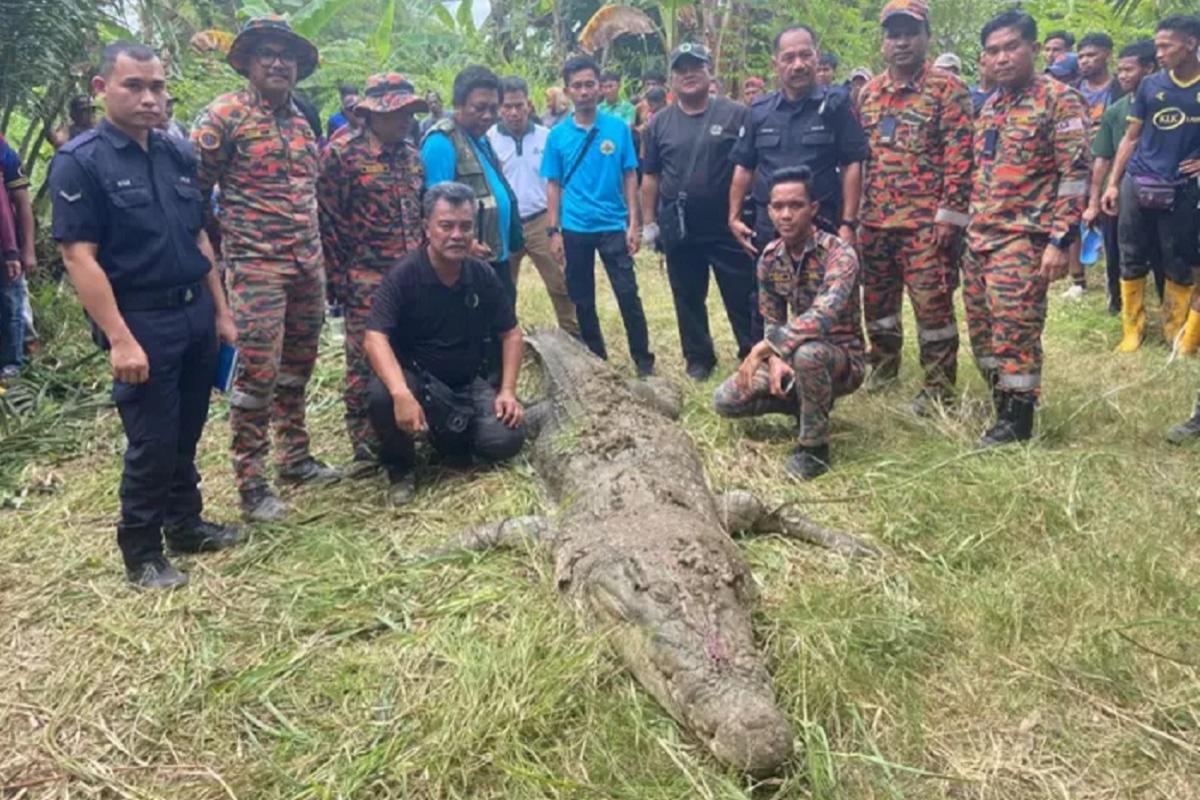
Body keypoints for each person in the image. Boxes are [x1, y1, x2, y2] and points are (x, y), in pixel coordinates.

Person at [49, 42, 242, 589]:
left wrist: (222, 312)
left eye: (157, 86)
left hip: (194, 313)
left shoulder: (177, 152)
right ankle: (141, 550)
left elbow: (199, 235)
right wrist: (120, 339)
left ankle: (186, 523)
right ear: (101, 89)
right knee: (152, 440)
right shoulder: (82, 161)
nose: (149, 98)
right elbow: (77, 256)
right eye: (134, 85)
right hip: (140, 320)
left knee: (187, 428)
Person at [192, 16, 340, 522]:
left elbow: (311, 192)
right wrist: (222, 248)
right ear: (248, 62)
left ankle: (294, 458)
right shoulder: (224, 116)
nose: (279, 63)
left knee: (298, 367)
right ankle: (252, 488)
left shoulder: (303, 118)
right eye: (267, 54)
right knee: (256, 375)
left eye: (288, 55)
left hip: (306, 263)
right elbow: (192, 195)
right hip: (256, 268)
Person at [966, 10, 1090, 446]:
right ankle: (1001, 404)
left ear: (1033, 49)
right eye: (993, 51)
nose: (1002, 58)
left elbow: (1074, 174)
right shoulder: (990, 106)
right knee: (982, 333)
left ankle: (1017, 424)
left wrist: (1060, 240)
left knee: (1015, 330)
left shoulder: (1059, 100)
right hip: (980, 238)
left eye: (1011, 47)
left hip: (1023, 238)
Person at [364, 182, 525, 504]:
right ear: (426, 227)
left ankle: (451, 439)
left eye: (465, 227)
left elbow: (512, 333)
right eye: (446, 226)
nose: (456, 235)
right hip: (420, 382)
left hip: (468, 382)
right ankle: (401, 468)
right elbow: (374, 337)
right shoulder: (404, 275)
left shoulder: (481, 274)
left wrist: (507, 390)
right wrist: (400, 393)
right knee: (381, 395)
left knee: (505, 441)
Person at [856, 0, 974, 414]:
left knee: (933, 307)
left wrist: (951, 216)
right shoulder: (868, 93)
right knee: (878, 307)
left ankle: (938, 388)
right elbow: (859, 159)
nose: (901, 42)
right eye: (893, 34)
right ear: (883, 41)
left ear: (926, 37)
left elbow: (961, 158)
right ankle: (883, 367)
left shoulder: (947, 89)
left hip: (927, 225)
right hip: (875, 222)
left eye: (910, 33)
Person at [712, 166, 864, 479]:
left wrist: (765, 349)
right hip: (792, 352)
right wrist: (776, 359)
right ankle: (806, 404)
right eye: (778, 207)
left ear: (813, 208)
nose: (786, 215)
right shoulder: (769, 258)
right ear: (768, 210)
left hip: (841, 358)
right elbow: (772, 317)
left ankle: (814, 448)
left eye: (795, 206)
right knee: (726, 399)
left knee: (809, 356)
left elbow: (824, 314)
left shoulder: (839, 253)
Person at [318, 73, 428, 468]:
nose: (405, 120)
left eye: (409, 113)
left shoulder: (412, 156)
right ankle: (365, 445)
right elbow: (327, 218)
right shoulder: (342, 155)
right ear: (372, 115)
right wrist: (338, 277)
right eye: (398, 113)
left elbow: (419, 214)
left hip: (411, 275)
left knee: (410, 350)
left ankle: (412, 428)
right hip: (365, 276)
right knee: (363, 360)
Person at [642, 43, 755, 380]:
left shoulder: (736, 114)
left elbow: (751, 167)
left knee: (742, 294)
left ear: (710, 72)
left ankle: (752, 351)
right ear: (671, 79)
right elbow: (651, 176)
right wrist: (648, 222)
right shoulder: (658, 124)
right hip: (680, 228)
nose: (688, 74)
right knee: (688, 296)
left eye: (696, 67)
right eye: (680, 69)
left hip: (728, 226)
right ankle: (699, 358)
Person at [542, 54, 655, 376]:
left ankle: (644, 361)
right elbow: (553, 185)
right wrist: (554, 231)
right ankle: (597, 359)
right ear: (567, 91)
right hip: (575, 227)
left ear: (599, 86)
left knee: (628, 294)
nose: (584, 91)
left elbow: (629, 175)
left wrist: (634, 223)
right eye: (577, 86)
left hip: (612, 226)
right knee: (582, 299)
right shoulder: (557, 136)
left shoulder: (617, 129)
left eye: (590, 84)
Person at [1102, 15, 1200, 354]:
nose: (1159, 53)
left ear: (1190, 44)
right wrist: (1113, 184)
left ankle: (1175, 329)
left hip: (1182, 186)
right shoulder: (1151, 85)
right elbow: (1131, 138)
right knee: (1130, 255)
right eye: (1156, 46)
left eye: (1166, 45)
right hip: (1138, 181)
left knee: (1178, 259)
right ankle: (1132, 330)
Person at [729, 25, 869, 262]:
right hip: (771, 227)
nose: (798, 65)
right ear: (776, 65)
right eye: (789, 58)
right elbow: (744, 166)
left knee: (832, 297)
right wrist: (734, 217)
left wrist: (847, 223)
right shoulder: (759, 112)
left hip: (823, 223)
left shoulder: (836, 107)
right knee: (770, 296)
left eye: (805, 55)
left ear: (817, 56)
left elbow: (851, 165)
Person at [421, 65, 523, 305]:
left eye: (493, 108)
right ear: (458, 104)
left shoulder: (480, 139)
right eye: (479, 108)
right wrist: (467, 245)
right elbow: (435, 208)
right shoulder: (441, 142)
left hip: (494, 258)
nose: (488, 116)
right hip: (465, 264)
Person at [487, 76, 579, 337]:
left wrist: (556, 226)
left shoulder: (548, 137)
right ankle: (503, 341)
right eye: (507, 106)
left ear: (528, 104)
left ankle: (574, 336)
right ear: (499, 108)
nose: (514, 112)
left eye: (519, 105)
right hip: (505, 224)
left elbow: (558, 182)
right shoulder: (488, 140)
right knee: (503, 288)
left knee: (560, 283)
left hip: (541, 220)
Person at [1082, 39, 1157, 316]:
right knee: (1116, 251)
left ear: (1149, 69)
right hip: (1119, 191)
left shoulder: (1168, 105)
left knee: (1162, 252)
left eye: (1128, 70)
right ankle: (1119, 306)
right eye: (1120, 70)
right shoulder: (1116, 111)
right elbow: (1101, 158)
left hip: (1159, 188)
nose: (1122, 76)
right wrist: (1094, 201)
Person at [0, 135, 35, 381]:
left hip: (6, 245)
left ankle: (13, 364)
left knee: (11, 303)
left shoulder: (5, 153)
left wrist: (26, 250)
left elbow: (21, 205)